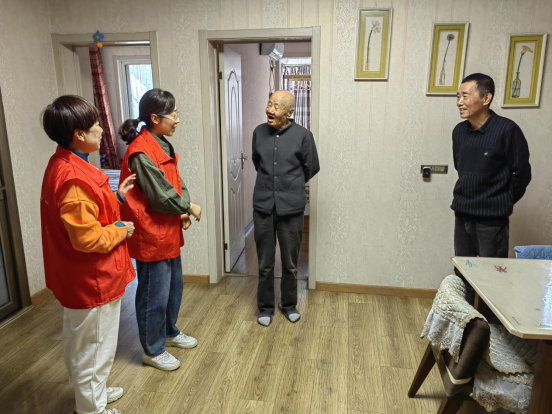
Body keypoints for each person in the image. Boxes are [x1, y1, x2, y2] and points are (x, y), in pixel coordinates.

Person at [40, 95, 136, 414]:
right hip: (92, 279)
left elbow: (87, 213)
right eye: (95, 125)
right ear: (79, 134)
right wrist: (121, 229)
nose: (101, 129)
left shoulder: (66, 163)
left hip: (79, 277)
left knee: (82, 342)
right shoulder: (73, 178)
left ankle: (94, 393)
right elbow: (87, 238)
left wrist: (115, 198)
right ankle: (92, 408)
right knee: (95, 348)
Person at [118, 88, 202, 371]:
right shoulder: (141, 151)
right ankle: (152, 349)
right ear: (155, 118)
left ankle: (168, 332)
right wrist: (188, 207)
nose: (177, 120)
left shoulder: (162, 144)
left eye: (177, 114)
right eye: (173, 115)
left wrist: (182, 211)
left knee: (173, 287)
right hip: (151, 232)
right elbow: (160, 195)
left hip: (167, 228)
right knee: (154, 293)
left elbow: (175, 182)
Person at [452, 73, 531, 304]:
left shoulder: (507, 130)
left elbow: (522, 174)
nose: (459, 102)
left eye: (465, 96)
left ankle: (491, 325)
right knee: (463, 273)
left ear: (486, 98)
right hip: (463, 213)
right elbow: (461, 167)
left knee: (492, 278)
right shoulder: (459, 131)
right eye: (458, 96)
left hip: (492, 220)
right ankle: (466, 322)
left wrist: (500, 200)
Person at [252, 90, 320, 326]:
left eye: (276, 106)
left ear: (290, 112)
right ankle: (265, 307)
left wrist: (290, 184)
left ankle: (289, 304)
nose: (269, 110)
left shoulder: (304, 136)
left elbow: (311, 167)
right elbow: (257, 162)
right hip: (263, 206)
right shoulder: (259, 132)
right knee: (265, 263)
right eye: (269, 104)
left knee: (290, 263)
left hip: (291, 208)